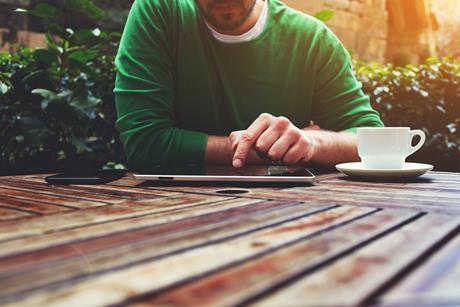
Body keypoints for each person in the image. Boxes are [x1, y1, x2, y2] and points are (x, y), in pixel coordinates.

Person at [114, 0, 384, 171]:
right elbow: (145, 145)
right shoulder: (159, 10)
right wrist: (273, 153)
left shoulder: (313, 40)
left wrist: (312, 142)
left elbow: (375, 141)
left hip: (288, 216)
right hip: (166, 212)